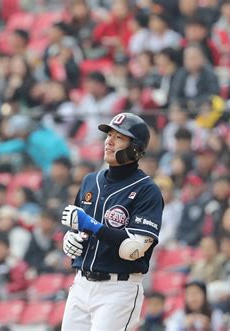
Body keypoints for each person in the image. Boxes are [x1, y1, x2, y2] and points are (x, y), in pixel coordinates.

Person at [60, 113, 164, 330]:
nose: (109, 140)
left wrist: (92, 226)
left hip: (118, 289)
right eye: (109, 134)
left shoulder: (147, 190)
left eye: (119, 137)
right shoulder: (90, 180)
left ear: (135, 147)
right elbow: (79, 227)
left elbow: (134, 249)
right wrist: (70, 239)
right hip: (81, 284)